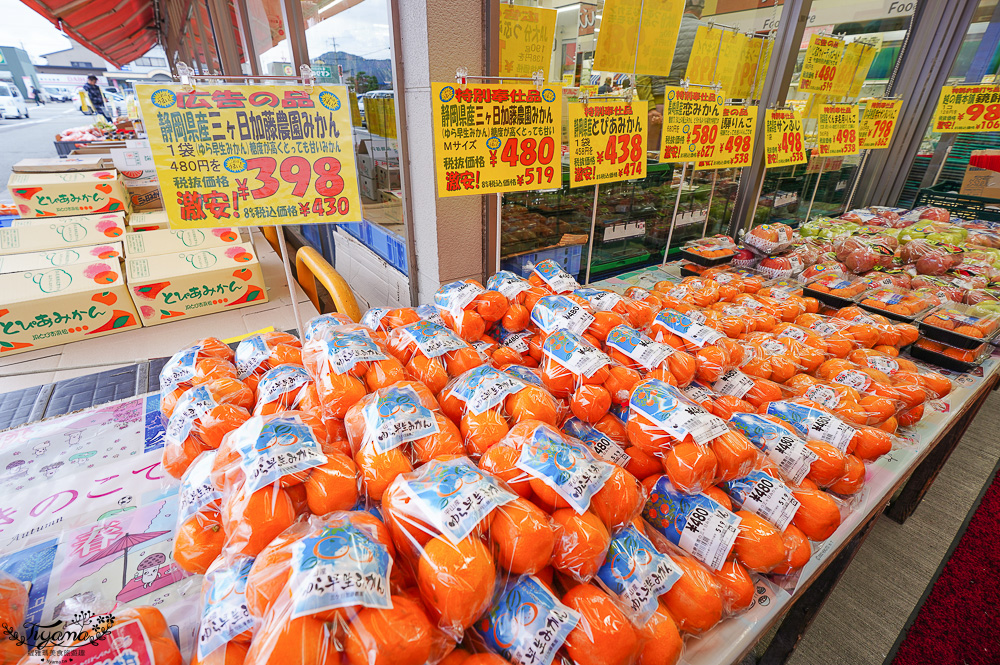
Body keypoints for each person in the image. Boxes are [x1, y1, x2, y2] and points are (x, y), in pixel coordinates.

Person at [638, 0, 705, 149]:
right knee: (682, 162)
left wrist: (650, 107)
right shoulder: (709, 32)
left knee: (653, 158)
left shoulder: (660, 31)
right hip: (692, 107)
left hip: (659, 108)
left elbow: (642, 77)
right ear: (701, 15)